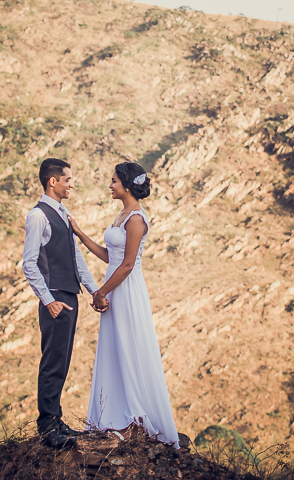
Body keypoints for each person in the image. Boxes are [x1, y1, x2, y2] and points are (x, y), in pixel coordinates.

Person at [68, 161, 179, 446]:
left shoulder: (136, 220)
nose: (111, 185)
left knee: (129, 347)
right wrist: (80, 234)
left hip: (126, 290)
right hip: (114, 286)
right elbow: (110, 257)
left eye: (114, 180)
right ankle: (115, 415)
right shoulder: (122, 215)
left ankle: (136, 418)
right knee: (114, 348)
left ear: (127, 186)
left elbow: (128, 264)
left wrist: (100, 292)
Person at [21, 157, 103, 450]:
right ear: (52, 181)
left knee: (63, 359)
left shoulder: (63, 212)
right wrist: (49, 300)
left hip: (70, 296)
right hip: (55, 298)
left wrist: (94, 290)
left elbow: (75, 258)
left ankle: (56, 419)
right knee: (53, 361)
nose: (72, 184)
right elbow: (29, 264)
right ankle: (47, 427)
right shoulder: (38, 216)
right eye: (68, 179)